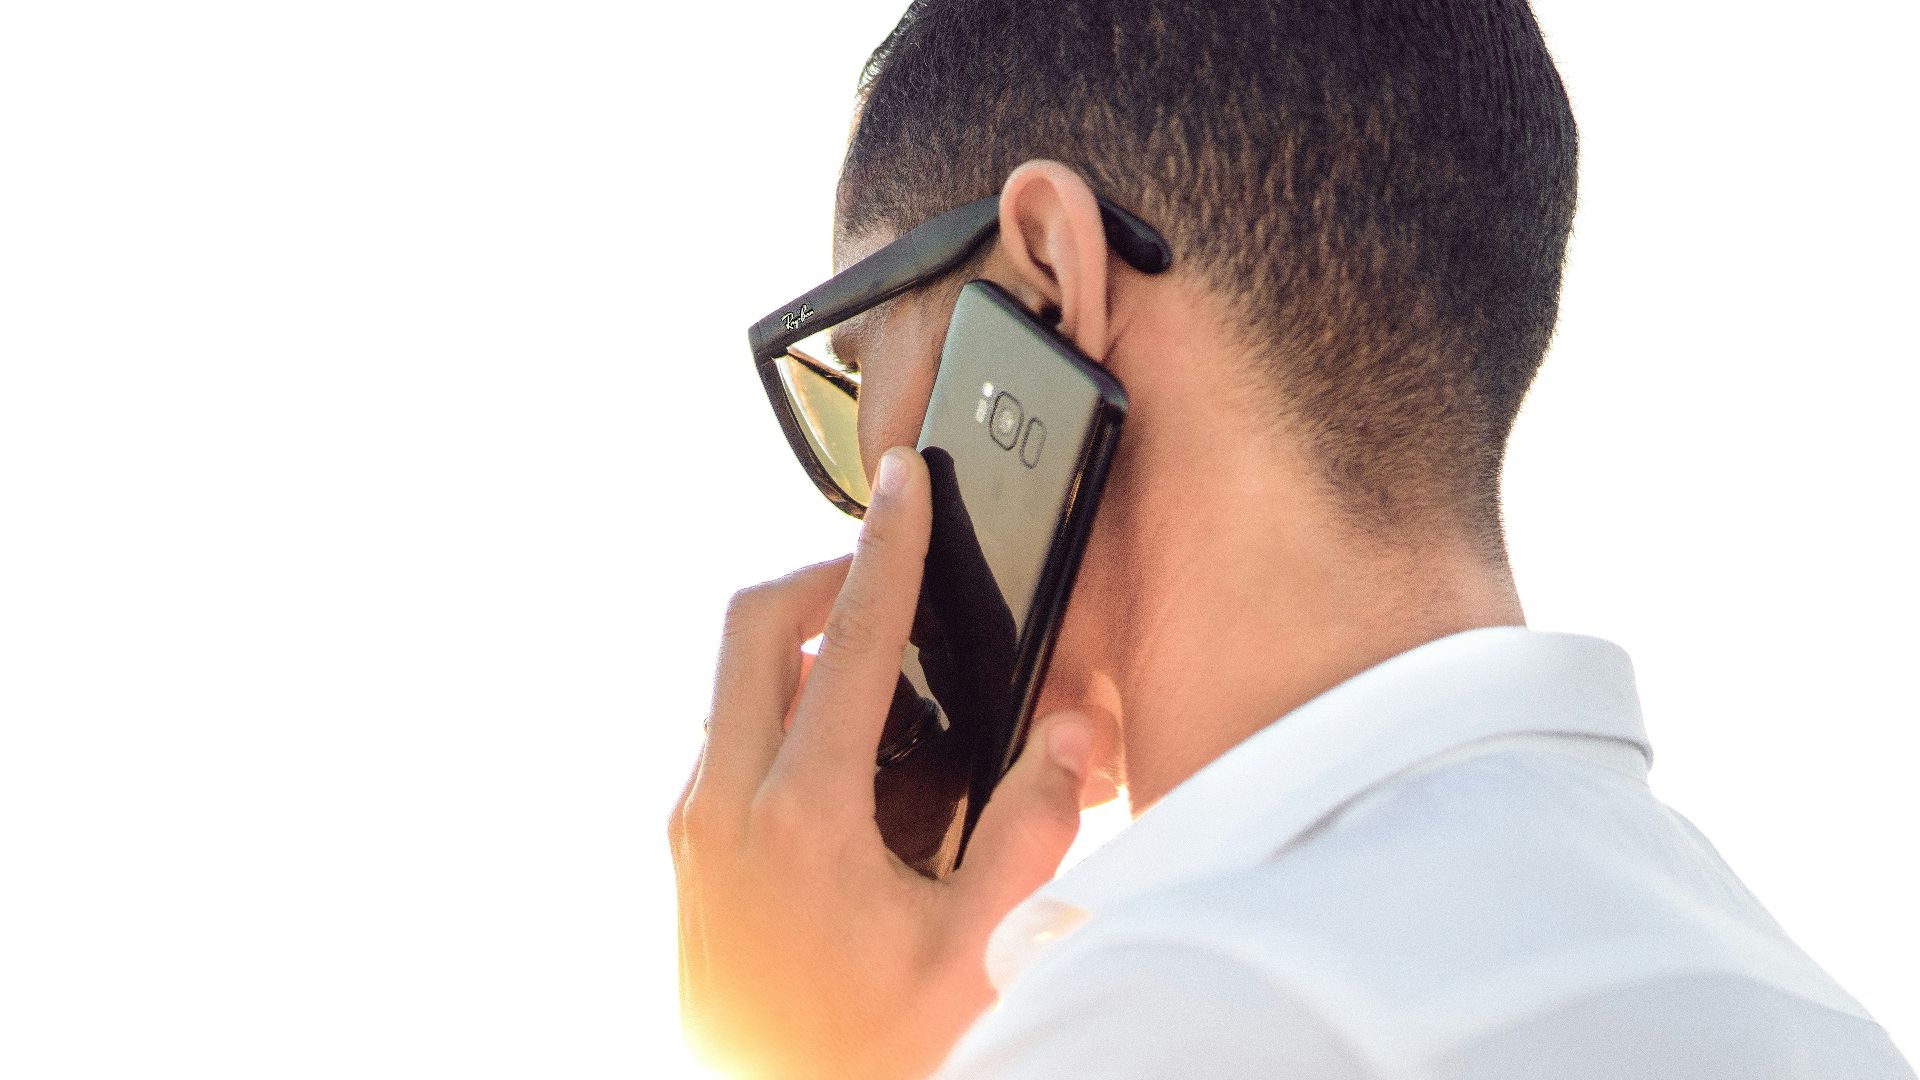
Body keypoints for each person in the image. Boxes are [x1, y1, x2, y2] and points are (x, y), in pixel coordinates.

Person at [669, 1, 1917, 1077]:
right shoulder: (1812, 1016)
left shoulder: (1179, 1018)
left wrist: (829, 1044)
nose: (859, 501)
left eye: (858, 372)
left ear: (1044, 283)